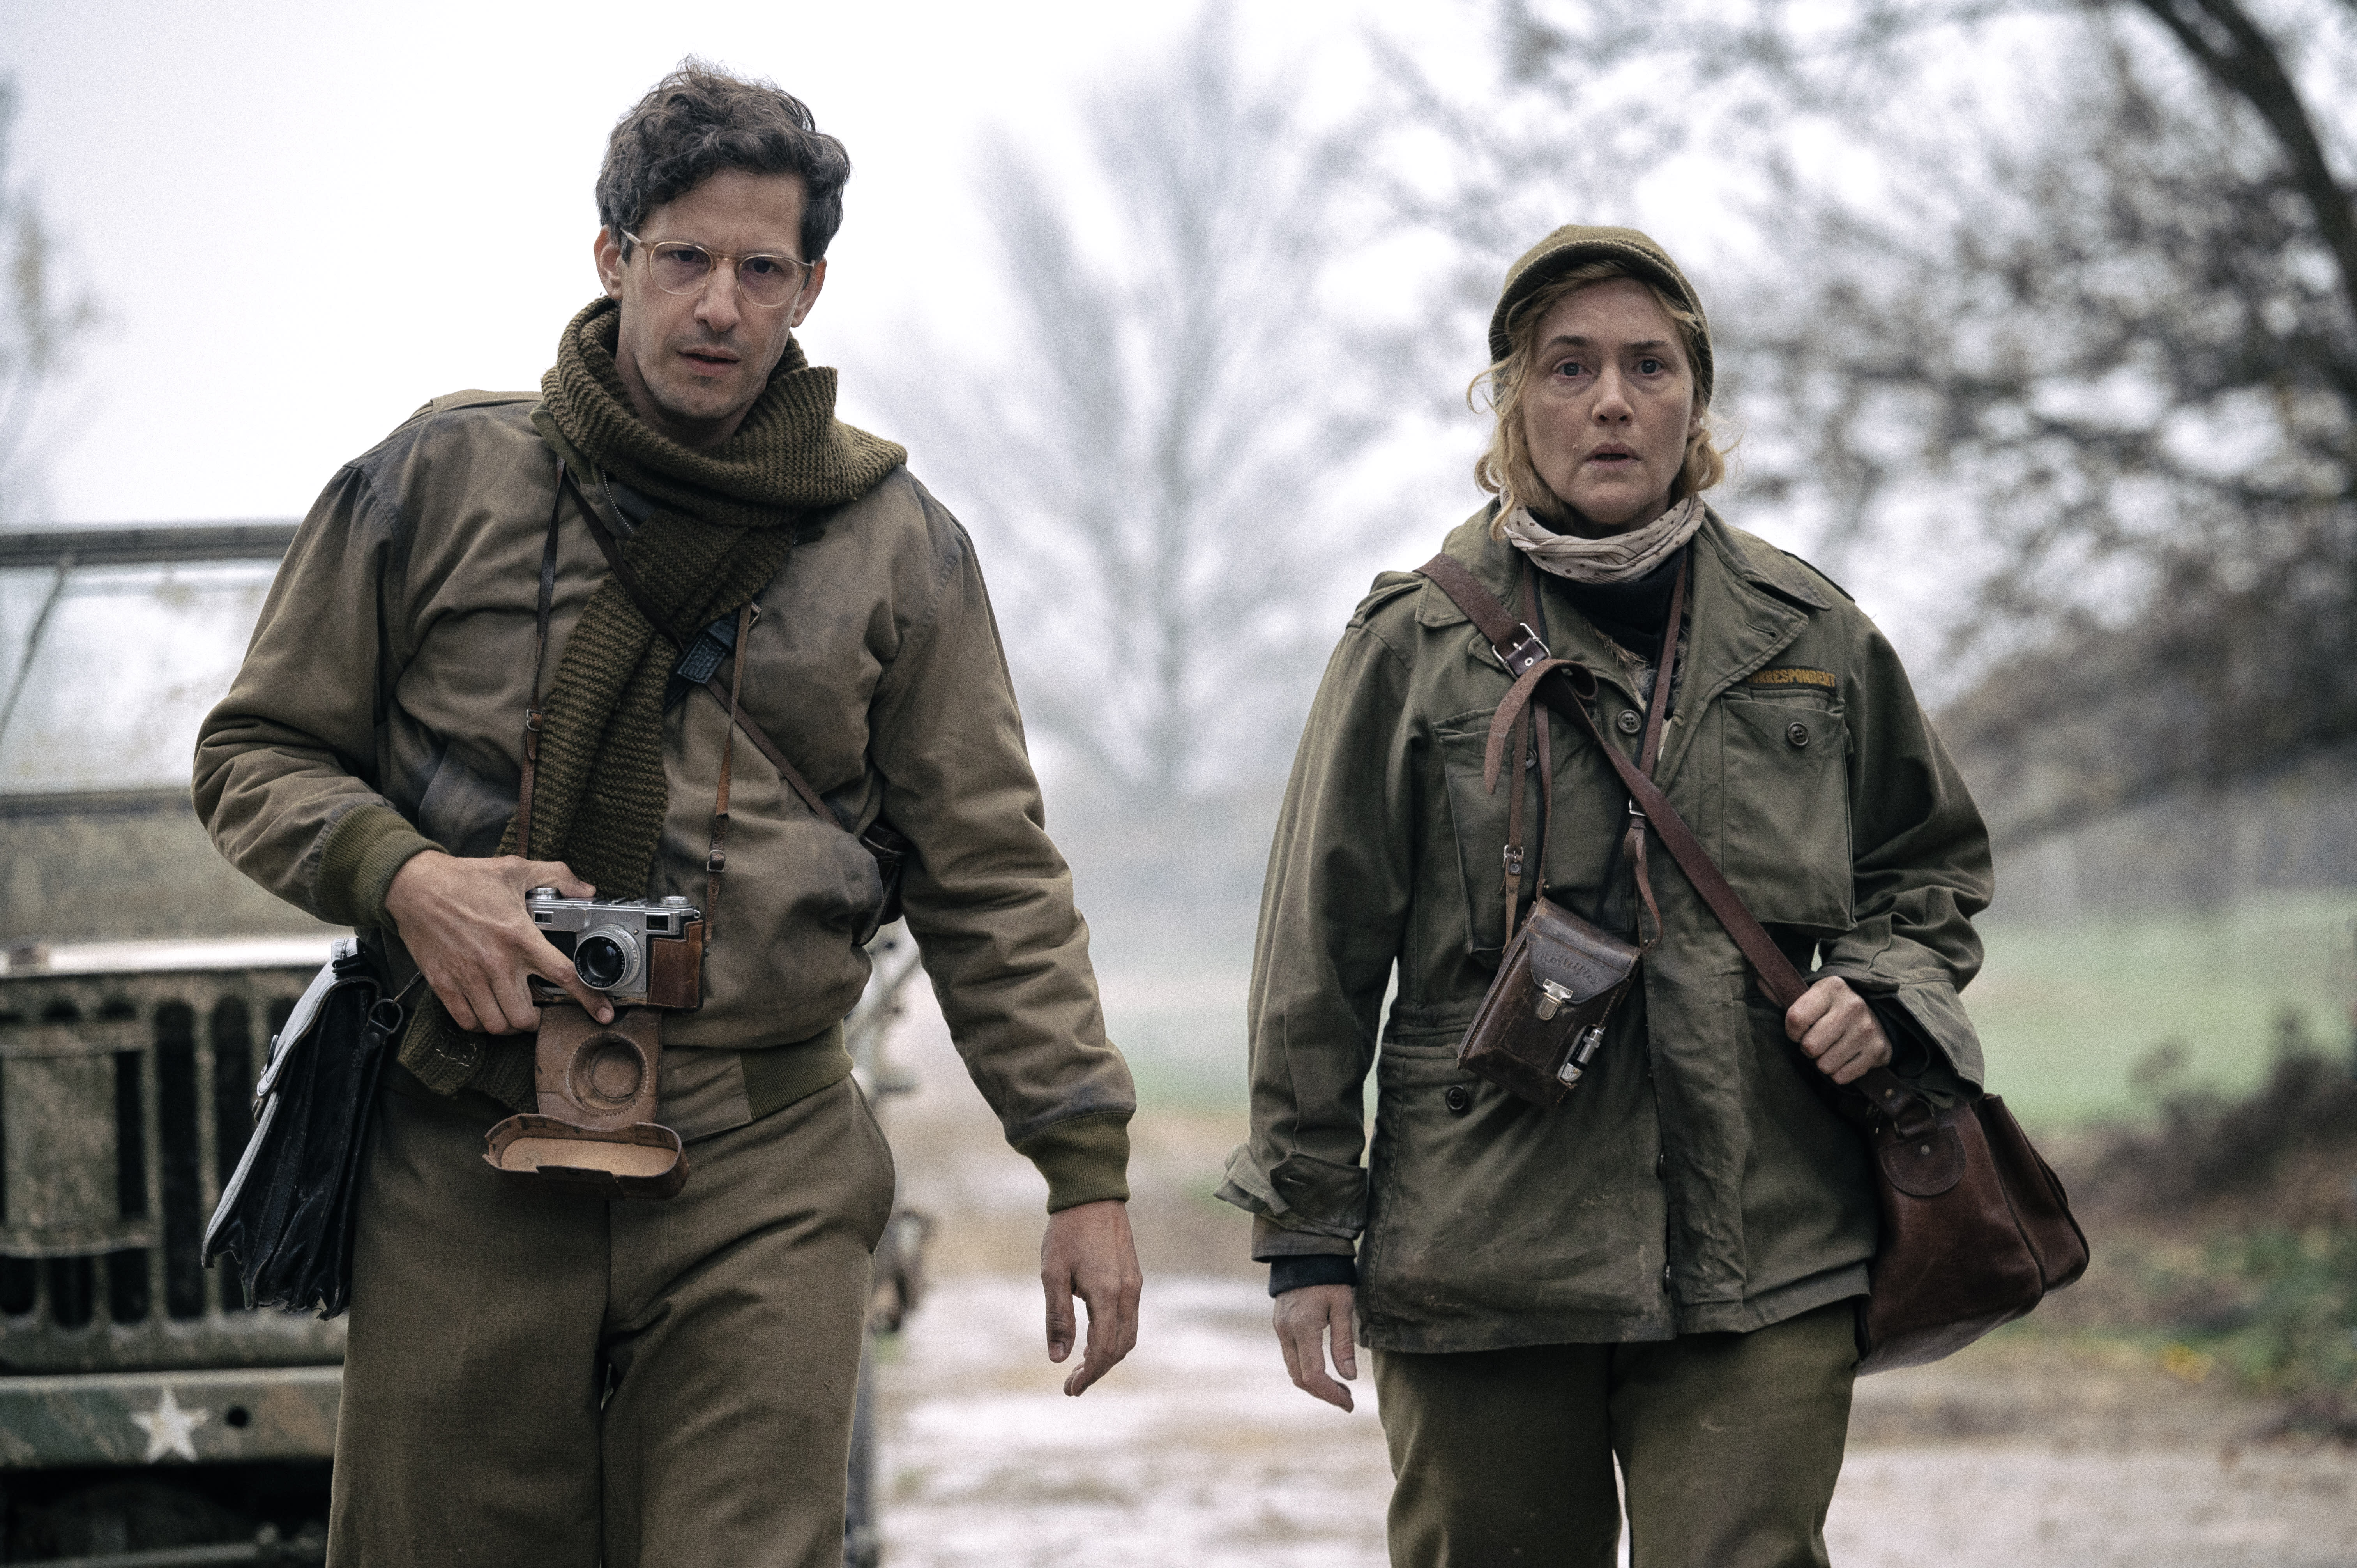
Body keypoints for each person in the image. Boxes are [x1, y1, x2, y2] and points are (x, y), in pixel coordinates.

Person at [195, 62, 1142, 1568]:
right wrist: (407, 877)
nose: (719, 304)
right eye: (685, 257)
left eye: (761, 270)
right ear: (612, 256)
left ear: (810, 286)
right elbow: (255, 755)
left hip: (756, 1162)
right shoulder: (434, 483)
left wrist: (1081, 1165)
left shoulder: (896, 544)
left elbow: (992, 875)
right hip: (465, 1150)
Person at [1218, 225, 1991, 1565]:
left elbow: (1926, 869)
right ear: (1511, 404)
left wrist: (1885, 989)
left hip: (1763, 1234)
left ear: (1698, 402)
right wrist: (1306, 1233)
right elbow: (1317, 957)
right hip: (1483, 1251)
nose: (1613, 400)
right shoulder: (1413, 646)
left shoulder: (1813, 637)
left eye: (1650, 365)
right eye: (1568, 368)